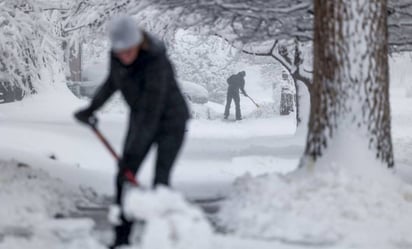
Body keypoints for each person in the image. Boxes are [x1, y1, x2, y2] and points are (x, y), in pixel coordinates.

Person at [74, 15, 189, 248]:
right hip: (141, 116)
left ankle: (162, 239)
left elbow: (151, 109)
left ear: (138, 44)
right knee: (123, 178)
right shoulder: (117, 57)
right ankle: (122, 238)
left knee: (161, 180)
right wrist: (91, 108)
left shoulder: (157, 62)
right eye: (120, 52)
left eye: (129, 51)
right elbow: (111, 84)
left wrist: (131, 154)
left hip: (171, 121)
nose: (124, 56)